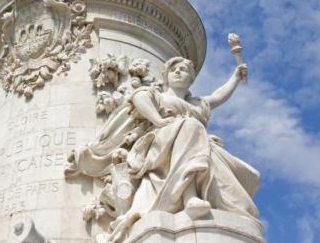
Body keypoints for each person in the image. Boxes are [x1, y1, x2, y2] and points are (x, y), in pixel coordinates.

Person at [68, 57, 260, 243]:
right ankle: (189, 195)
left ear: (191, 79)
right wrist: (158, 120)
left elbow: (218, 96)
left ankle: (199, 196)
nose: (177, 71)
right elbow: (138, 97)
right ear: (166, 76)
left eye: (183, 70)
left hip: (196, 144)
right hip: (159, 144)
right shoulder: (158, 95)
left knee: (249, 177)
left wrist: (235, 77)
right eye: (173, 69)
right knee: (191, 126)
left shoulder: (198, 103)